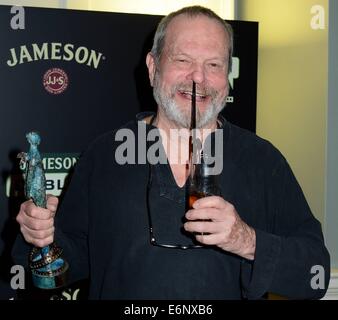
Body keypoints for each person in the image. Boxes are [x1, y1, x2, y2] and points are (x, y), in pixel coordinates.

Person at [13, 5, 330, 299]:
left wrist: (246, 240)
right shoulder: (104, 155)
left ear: (228, 76)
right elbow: (56, 275)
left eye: (214, 64)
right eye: (183, 60)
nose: (198, 77)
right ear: (153, 67)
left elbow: (315, 276)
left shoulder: (262, 160)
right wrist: (41, 240)